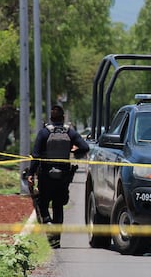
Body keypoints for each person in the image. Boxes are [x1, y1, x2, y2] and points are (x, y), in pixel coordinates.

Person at [27, 105, 89, 248]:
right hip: (63, 176)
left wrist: (31, 173)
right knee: (58, 206)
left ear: (51, 118)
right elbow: (85, 147)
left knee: (43, 204)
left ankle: (48, 223)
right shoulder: (70, 133)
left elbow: (35, 155)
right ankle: (56, 241)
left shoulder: (44, 133)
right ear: (63, 118)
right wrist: (75, 152)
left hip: (46, 176)